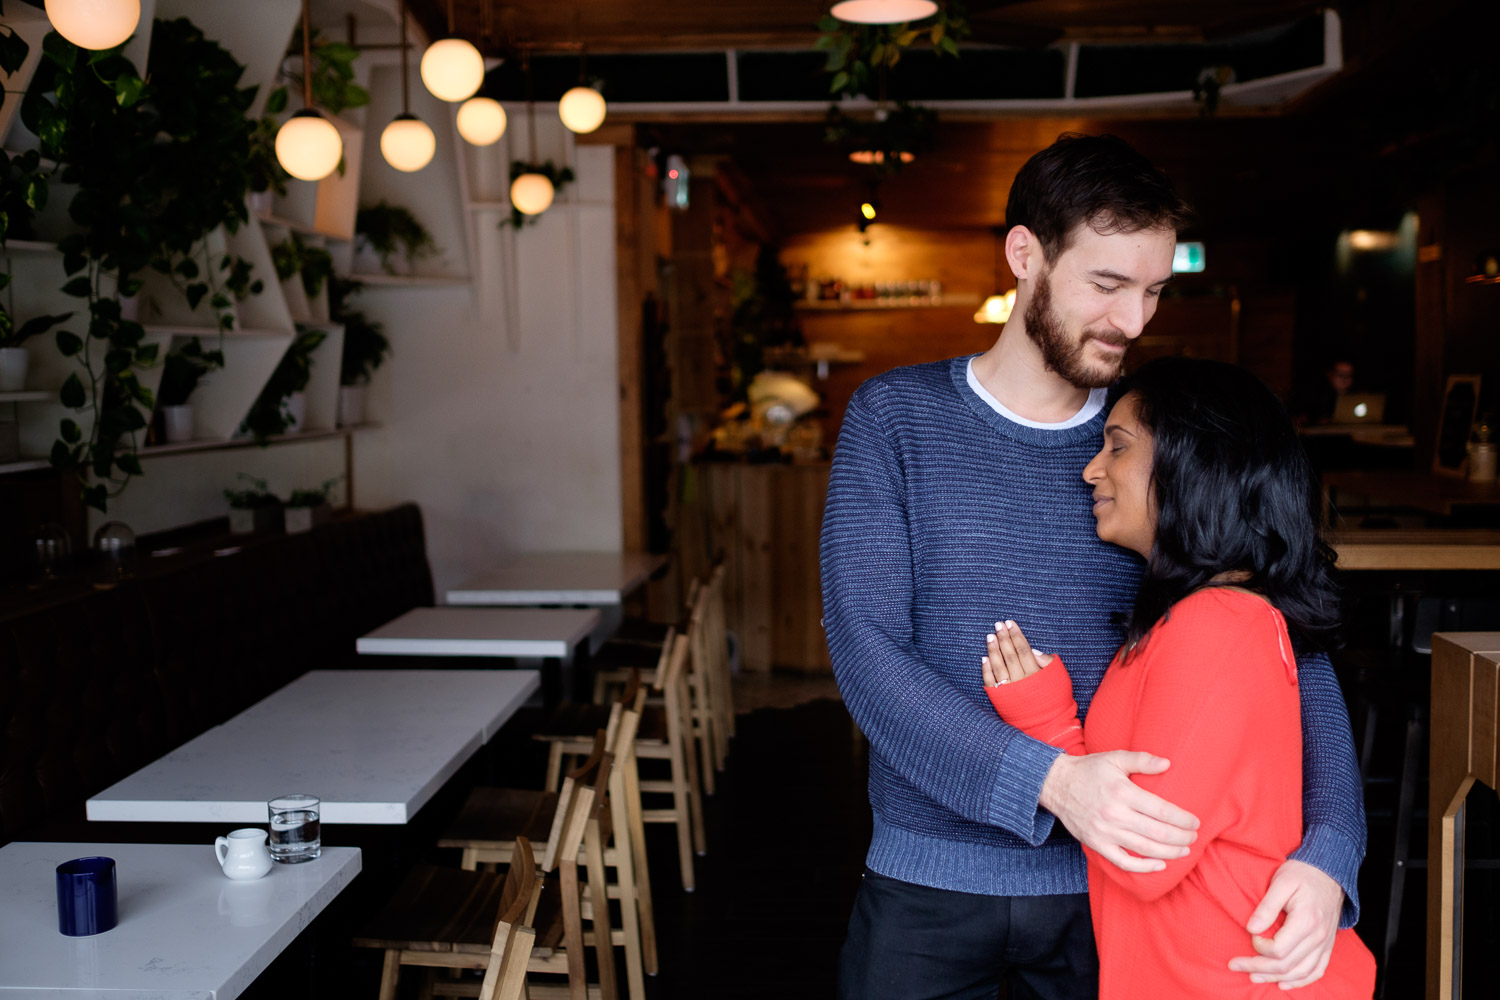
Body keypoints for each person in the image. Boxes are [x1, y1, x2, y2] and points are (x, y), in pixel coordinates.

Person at [820, 133, 1366, 999]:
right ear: (1025, 255)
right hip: (928, 880)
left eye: (1152, 291)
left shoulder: (1157, 443)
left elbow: (1288, 643)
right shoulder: (894, 419)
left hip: (1125, 904)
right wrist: (1052, 782)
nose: (1133, 322)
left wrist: (1331, 848)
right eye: (1107, 285)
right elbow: (865, 653)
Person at [981, 357, 1376, 999]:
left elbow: (1145, 857)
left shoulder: (1216, 625)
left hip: (1232, 979)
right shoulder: (1201, 619)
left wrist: (1047, 723)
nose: (1091, 469)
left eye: (1119, 447)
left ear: (1198, 463)